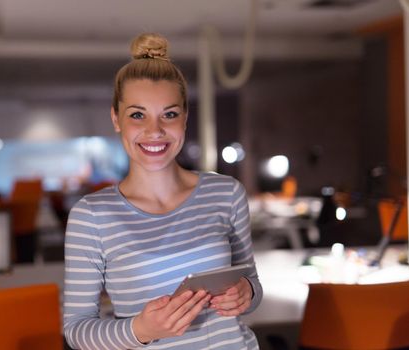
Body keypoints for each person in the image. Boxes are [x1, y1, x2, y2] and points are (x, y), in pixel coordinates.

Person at [63, 32, 263, 349]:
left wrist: (246, 293)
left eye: (169, 114)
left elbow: (252, 286)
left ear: (184, 118)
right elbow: (75, 330)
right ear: (116, 118)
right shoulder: (92, 216)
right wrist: (140, 329)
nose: (154, 131)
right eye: (137, 115)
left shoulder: (226, 193)